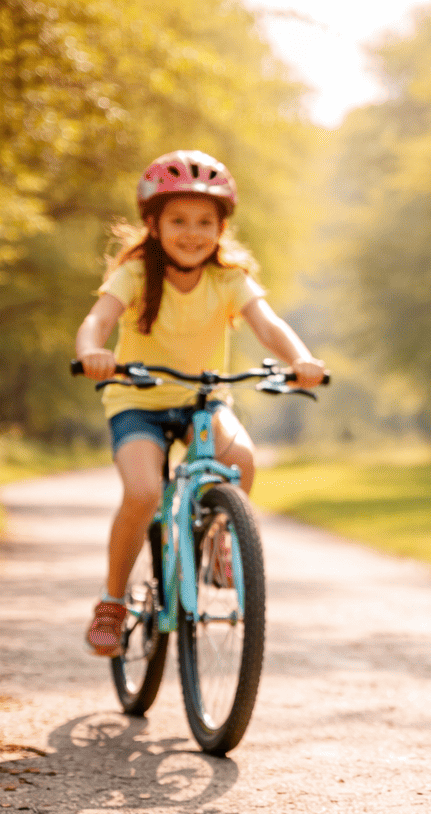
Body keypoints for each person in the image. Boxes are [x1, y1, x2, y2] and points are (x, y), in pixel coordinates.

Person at [74, 150, 325, 656]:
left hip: (202, 400)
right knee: (144, 493)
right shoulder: (137, 273)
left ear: (222, 226)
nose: (193, 233)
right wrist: (92, 352)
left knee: (240, 459)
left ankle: (216, 547)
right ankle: (113, 602)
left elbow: (268, 325)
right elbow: (98, 320)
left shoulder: (229, 279)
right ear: (153, 223)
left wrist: (301, 359)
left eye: (205, 222)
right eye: (179, 221)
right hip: (137, 401)